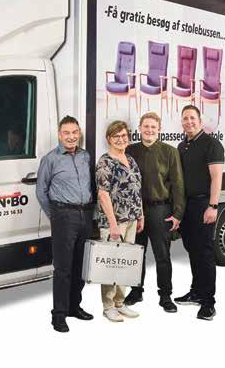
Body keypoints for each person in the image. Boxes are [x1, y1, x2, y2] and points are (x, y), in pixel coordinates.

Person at [36, 116, 94, 333]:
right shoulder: (50, 159)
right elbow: (41, 192)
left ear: (79, 134)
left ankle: (74, 307)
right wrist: (55, 215)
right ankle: (58, 315)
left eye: (75, 132)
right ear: (59, 135)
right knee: (63, 269)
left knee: (80, 265)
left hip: (85, 214)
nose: (71, 137)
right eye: (66, 133)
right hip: (63, 216)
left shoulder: (85, 156)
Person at [123, 112, 185, 313]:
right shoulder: (130, 151)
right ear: (140, 128)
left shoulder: (169, 152)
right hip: (136, 211)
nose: (149, 130)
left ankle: (165, 295)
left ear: (159, 129)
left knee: (162, 255)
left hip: (160, 210)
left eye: (153, 127)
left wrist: (178, 214)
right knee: (136, 253)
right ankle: (136, 291)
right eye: (146, 126)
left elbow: (178, 184)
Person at [175, 105, 224, 320]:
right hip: (187, 206)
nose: (189, 122)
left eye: (192, 118)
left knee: (205, 253)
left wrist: (212, 206)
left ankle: (208, 302)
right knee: (192, 250)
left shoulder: (211, 144)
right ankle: (196, 292)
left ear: (200, 120)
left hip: (203, 204)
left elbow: (216, 178)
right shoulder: (182, 145)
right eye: (185, 118)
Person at [95, 120, 143, 322]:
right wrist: (113, 225)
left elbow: (136, 189)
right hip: (114, 223)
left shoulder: (130, 159)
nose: (121, 139)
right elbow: (103, 194)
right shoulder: (105, 162)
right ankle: (108, 306)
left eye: (124, 135)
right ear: (109, 139)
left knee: (125, 264)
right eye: (116, 136)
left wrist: (140, 215)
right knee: (111, 264)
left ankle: (120, 303)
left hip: (131, 219)